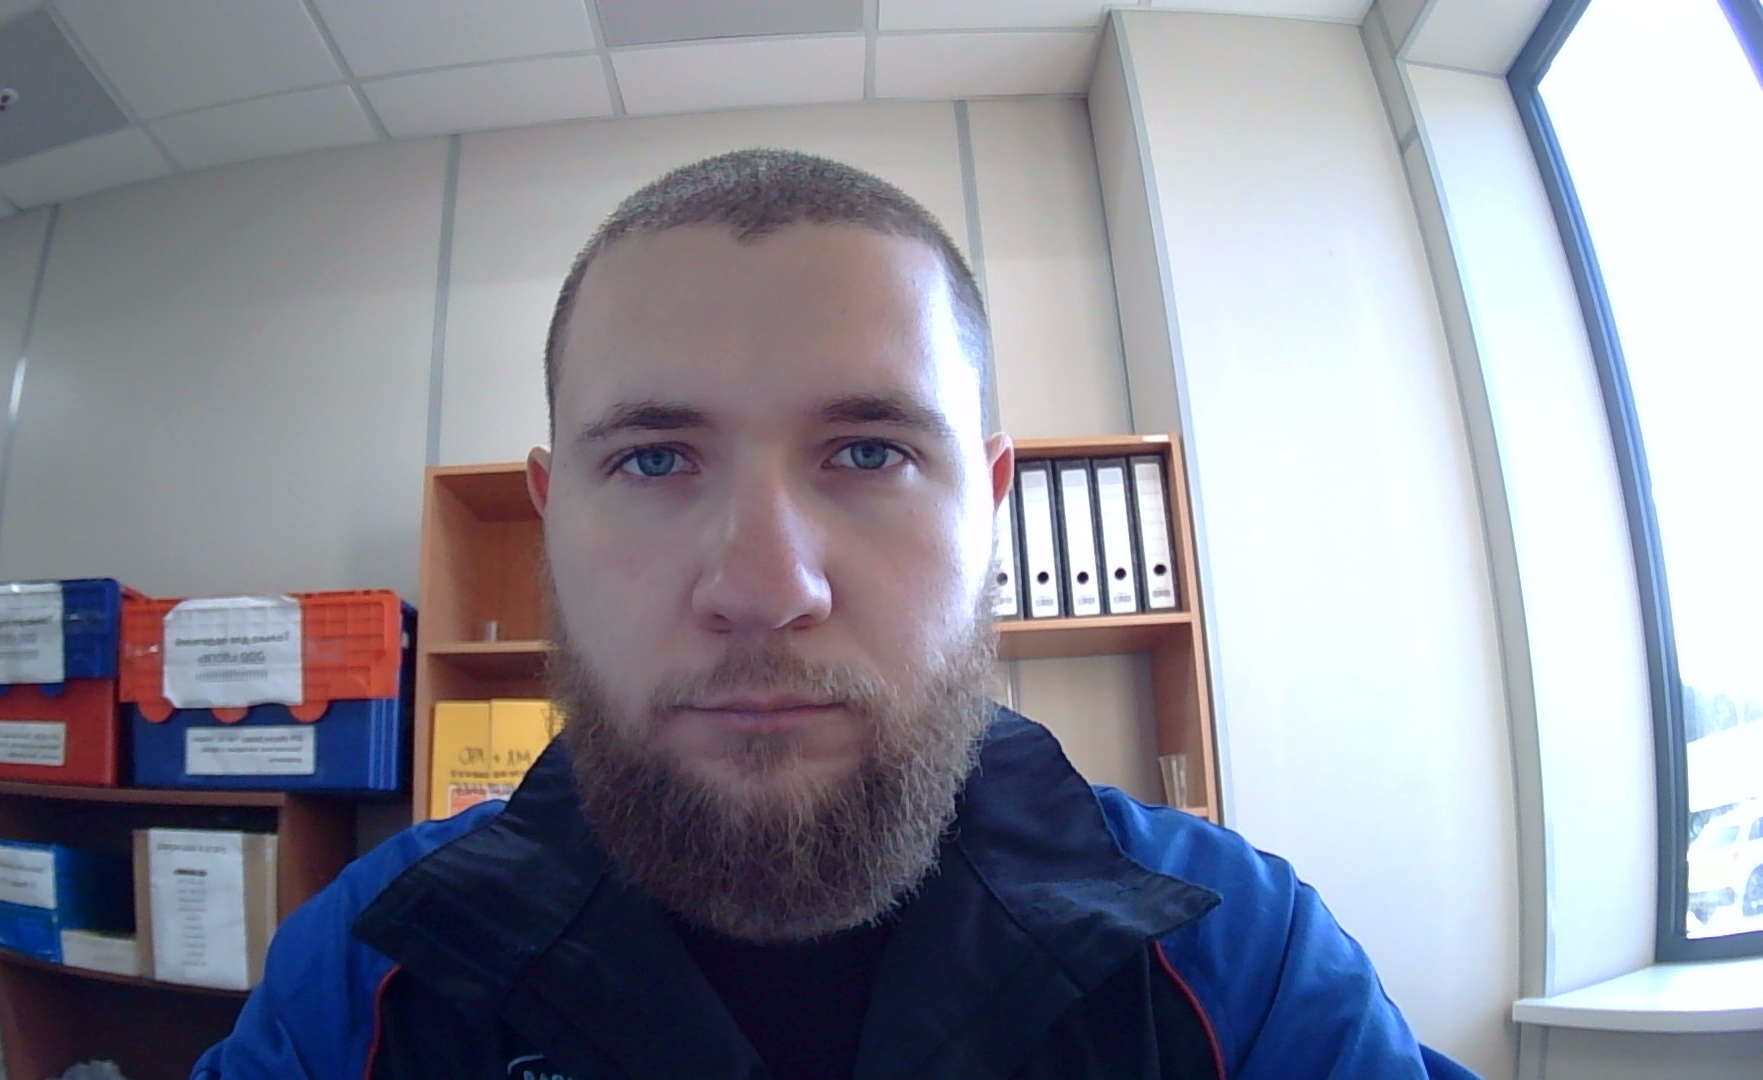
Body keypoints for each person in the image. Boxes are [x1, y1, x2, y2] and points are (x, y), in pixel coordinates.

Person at [193, 149, 1476, 1080]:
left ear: (989, 509)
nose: (764, 587)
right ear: (549, 517)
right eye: (653, 459)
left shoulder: (1241, 961)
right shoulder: (362, 972)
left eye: (869, 452)